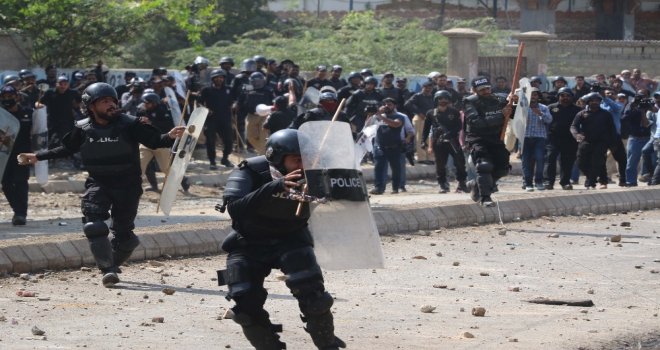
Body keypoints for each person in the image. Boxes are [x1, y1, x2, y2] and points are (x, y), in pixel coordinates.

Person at [18, 83, 185, 288]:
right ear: (91, 106)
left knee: (125, 238)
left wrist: (171, 136)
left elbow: (156, 140)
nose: (111, 104)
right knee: (94, 224)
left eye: (112, 100)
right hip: (99, 181)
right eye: (104, 101)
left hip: (128, 185)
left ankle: (112, 263)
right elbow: (65, 148)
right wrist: (37, 156)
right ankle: (107, 270)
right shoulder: (83, 128)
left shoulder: (130, 124)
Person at [216, 129, 346, 350]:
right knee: (245, 305)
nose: (302, 166)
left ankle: (328, 344)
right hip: (249, 242)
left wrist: (347, 187)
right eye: (296, 160)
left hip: (291, 239)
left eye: (306, 160)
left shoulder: (314, 174)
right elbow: (235, 209)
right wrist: (275, 186)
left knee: (315, 299)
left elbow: (344, 196)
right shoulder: (251, 171)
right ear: (276, 157)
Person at [462, 76, 512, 207]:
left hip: (496, 139)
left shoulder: (499, 100)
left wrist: (515, 103)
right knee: (484, 165)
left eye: (488, 88)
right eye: (482, 89)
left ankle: (477, 185)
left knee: (503, 169)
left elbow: (511, 114)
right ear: (475, 90)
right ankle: (485, 198)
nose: (486, 91)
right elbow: (477, 122)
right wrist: (501, 115)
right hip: (478, 139)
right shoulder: (469, 102)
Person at [422, 90, 467, 193]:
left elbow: (459, 126)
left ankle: (461, 183)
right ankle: (443, 184)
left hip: (453, 141)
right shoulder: (431, 113)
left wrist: (449, 134)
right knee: (440, 165)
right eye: (441, 99)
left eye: (445, 99)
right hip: (438, 142)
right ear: (436, 100)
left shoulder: (454, 112)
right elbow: (426, 128)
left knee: (460, 163)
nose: (443, 101)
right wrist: (423, 141)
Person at [571, 92, 617, 189]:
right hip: (586, 141)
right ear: (588, 102)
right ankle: (592, 177)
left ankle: (591, 183)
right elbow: (573, 126)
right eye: (592, 100)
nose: (595, 102)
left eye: (597, 100)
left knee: (597, 162)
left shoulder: (606, 114)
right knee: (580, 162)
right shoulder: (582, 113)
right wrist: (576, 134)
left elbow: (612, 129)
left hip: (601, 142)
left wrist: (613, 143)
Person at [1, 86, 32, 226]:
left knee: (20, 183)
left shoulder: (28, 112)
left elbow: (38, 131)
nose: (8, 99)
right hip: (5, 155)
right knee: (6, 184)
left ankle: (21, 214)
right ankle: (17, 209)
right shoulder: (2, 116)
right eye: (5, 96)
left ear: (17, 96)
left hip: (23, 154)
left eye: (10, 96)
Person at [544, 87, 581, 190]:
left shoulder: (577, 110)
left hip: (570, 139)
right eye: (562, 95)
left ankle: (565, 182)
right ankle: (548, 181)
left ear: (571, 97)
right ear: (558, 96)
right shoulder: (551, 107)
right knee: (550, 159)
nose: (565, 98)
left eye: (568, 96)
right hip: (553, 138)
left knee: (567, 161)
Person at [369, 98, 406, 195]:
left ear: (394, 106)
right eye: (384, 104)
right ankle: (378, 188)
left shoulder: (399, 116)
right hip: (380, 146)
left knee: (396, 168)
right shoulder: (378, 116)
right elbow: (367, 124)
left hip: (394, 147)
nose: (386, 106)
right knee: (378, 168)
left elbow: (395, 124)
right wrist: (374, 114)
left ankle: (395, 188)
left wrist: (381, 117)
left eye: (389, 104)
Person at [199, 69, 235, 169]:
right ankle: (212, 162)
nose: (219, 79)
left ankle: (225, 158)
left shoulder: (229, 89)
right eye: (217, 78)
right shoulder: (206, 90)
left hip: (225, 119)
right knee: (210, 141)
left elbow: (232, 101)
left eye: (221, 77)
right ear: (213, 79)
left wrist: (234, 105)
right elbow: (200, 102)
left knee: (229, 141)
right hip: (211, 119)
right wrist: (206, 109)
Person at [521, 88, 553, 191]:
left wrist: (540, 113)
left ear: (538, 96)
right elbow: (514, 120)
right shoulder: (522, 107)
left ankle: (539, 181)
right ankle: (528, 183)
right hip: (525, 137)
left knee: (540, 159)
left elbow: (549, 120)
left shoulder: (543, 108)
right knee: (526, 161)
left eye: (535, 95)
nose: (533, 97)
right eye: (531, 94)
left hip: (539, 137)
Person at [621, 93, 653, 186]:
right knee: (631, 162)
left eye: (642, 98)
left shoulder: (649, 106)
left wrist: (644, 108)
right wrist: (632, 106)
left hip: (648, 137)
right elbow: (624, 118)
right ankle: (631, 181)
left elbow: (647, 122)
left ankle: (650, 179)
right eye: (638, 98)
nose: (640, 100)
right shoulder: (631, 106)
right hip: (635, 138)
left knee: (650, 160)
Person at [404, 80, 435, 164]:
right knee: (420, 138)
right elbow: (407, 104)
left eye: (430, 87)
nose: (428, 89)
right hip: (420, 118)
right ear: (422, 87)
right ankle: (421, 158)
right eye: (426, 87)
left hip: (430, 119)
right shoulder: (418, 96)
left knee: (430, 138)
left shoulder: (432, 96)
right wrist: (419, 112)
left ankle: (430, 157)